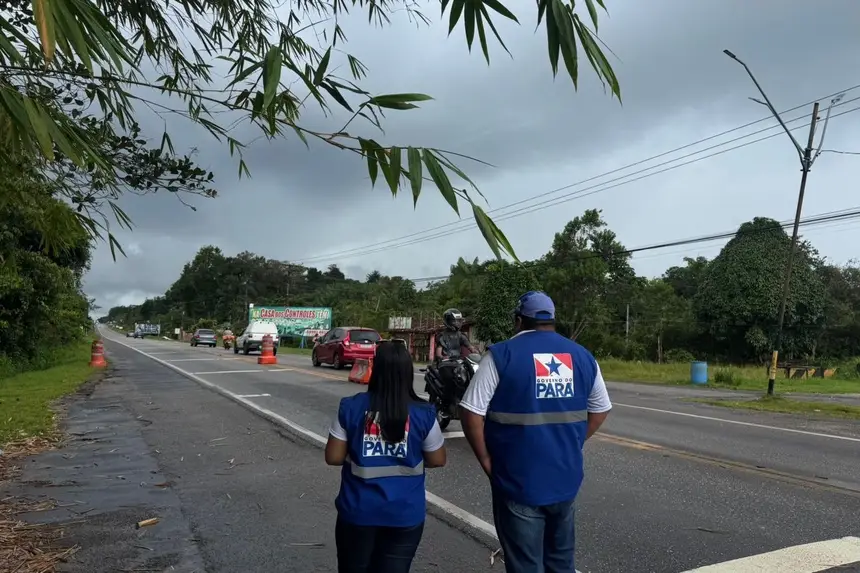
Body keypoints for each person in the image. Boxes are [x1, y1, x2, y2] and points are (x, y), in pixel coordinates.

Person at [459, 291, 612, 573]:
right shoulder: (582, 355)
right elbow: (601, 409)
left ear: (519, 320)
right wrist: (575, 440)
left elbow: (470, 412)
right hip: (565, 479)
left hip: (517, 480)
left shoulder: (501, 355)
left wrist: (486, 459)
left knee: (526, 565)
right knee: (561, 563)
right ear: (552, 319)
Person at [325, 341, 448, 573]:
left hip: (358, 511)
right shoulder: (424, 414)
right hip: (404, 514)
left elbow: (333, 456)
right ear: (408, 373)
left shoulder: (350, 407)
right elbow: (437, 459)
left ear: (376, 370)